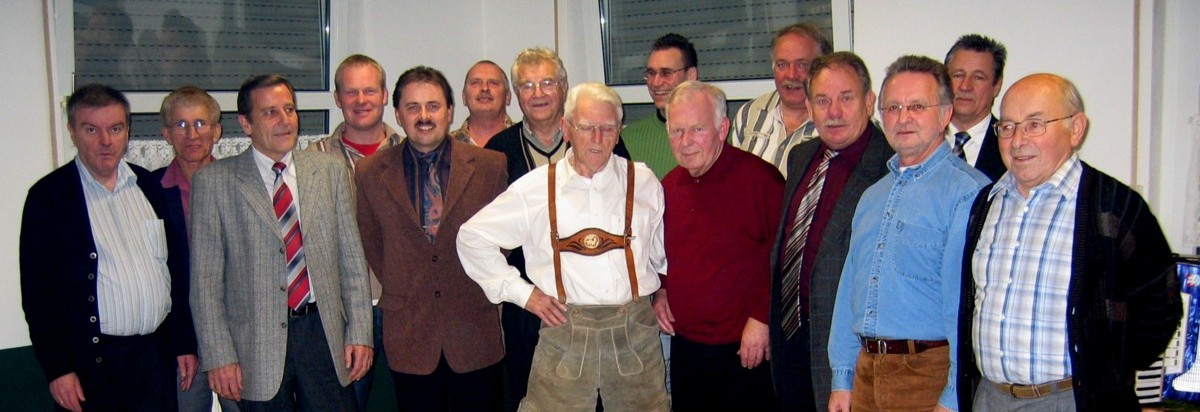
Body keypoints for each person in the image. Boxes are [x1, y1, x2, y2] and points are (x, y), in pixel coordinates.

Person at [957, 73, 1181, 411]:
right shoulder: (987, 202)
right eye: (1007, 126)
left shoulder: (1114, 205)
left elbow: (1161, 304)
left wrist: (1108, 371)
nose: (1018, 140)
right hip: (989, 398)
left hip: (1073, 400)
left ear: (1075, 129)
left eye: (1035, 125)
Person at [458, 83, 671, 411]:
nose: (597, 138)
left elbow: (659, 255)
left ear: (618, 132)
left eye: (607, 128)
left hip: (635, 336)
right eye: (586, 128)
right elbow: (472, 238)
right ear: (566, 129)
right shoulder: (536, 187)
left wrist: (664, 291)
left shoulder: (643, 182)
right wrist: (525, 294)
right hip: (564, 334)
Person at [190, 74, 374, 411]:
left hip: (323, 334)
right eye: (270, 112)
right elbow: (205, 282)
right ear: (246, 123)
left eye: (289, 109)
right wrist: (219, 356)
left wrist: (360, 333)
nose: (284, 120)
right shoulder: (215, 183)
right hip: (255, 344)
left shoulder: (329, 171)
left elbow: (351, 260)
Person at [827, 56, 990, 412]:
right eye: (893, 108)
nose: (903, 118)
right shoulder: (872, 197)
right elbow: (849, 290)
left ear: (945, 115)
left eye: (917, 106)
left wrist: (954, 394)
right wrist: (842, 377)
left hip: (928, 376)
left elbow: (967, 307)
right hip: (866, 374)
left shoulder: (968, 193)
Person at [20, 84, 196, 411]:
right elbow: (38, 295)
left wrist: (183, 342)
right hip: (92, 367)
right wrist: (57, 369)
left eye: (115, 129)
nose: (106, 141)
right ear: (72, 132)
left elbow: (175, 270)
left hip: (155, 359)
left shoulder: (149, 186)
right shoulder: (49, 198)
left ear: (127, 131)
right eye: (92, 130)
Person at [482, 47, 630, 410]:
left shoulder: (599, 139)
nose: (538, 93)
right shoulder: (498, 151)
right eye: (527, 85)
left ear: (564, 87)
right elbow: (486, 232)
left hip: (594, 310)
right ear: (516, 94)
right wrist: (525, 294)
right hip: (530, 308)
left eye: (547, 82)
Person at [355, 66, 507, 411]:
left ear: (449, 111)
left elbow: (504, 241)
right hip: (410, 332)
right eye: (413, 107)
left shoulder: (491, 166)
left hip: (474, 329)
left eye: (433, 106)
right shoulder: (370, 172)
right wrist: (406, 280)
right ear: (398, 114)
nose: (424, 116)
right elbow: (371, 242)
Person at [768, 51, 893, 412]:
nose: (833, 112)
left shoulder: (889, 168)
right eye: (822, 101)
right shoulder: (801, 156)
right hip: (791, 342)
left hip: (849, 354)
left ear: (868, 102)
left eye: (846, 98)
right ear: (808, 107)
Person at [652, 80, 781, 410]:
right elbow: (662, 253)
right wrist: (662, 290)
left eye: (697, 129)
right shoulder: (668, 187)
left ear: (722, 128)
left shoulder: (760, 181)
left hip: (744, 346)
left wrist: (762, 319)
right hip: (687, 346)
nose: (685, 141)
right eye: (677, 131)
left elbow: (784, 259)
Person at [307, 54, 402, 411]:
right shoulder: (312, 160)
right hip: (342, 313)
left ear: (384, 95)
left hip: (400, 306)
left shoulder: (410, 151)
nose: (361, 100)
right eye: (351, 92)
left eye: (369, 91)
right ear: (337, 98)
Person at [151, 85, 242, 412]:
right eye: (181, 124)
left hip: (237, 336)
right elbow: (158, 277)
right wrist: (181, 342)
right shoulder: (150, 193)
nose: (192, 134)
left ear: (216, 131)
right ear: (166, 134)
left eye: (201, 123)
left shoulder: (240, 186)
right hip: (179, 340)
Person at [731, 23, 832, 178]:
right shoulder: (749, 114)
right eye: (782, 65)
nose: (791, 75)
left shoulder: (836, 122)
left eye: (802, 65)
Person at [624, 33, 698, 179]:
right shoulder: (628, 139)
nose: (656, 82)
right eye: (651, 73)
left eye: (666, 73)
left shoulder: (716, 135)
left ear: (690, 75)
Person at [944, 34, 1008, 181]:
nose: (965, 86)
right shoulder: (919, 139)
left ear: (996, 86)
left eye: (978, 77)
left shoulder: (1010, 146)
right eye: (958, 75)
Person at [451, 60, 514, 147]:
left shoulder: (524, 141)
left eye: (493, 83)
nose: (485, 88)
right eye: (475, 83)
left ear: (507, 97)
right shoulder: (444, 147)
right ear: (464, 97)